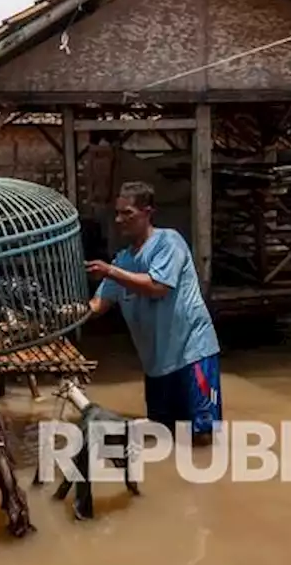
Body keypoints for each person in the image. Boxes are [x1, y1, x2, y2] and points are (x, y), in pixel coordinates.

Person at [86, 182, 222, 443]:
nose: (119, 220)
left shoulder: (169, 242)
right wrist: (62, 315)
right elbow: (97, 306)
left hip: (191, 353)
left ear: (147, 212)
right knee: (163, 434)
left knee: (201, 436)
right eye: (118, 213)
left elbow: (158, 287)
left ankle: (204, 483)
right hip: (156, 365)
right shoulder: (123, 260)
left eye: (128, 213)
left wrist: (110, 272)